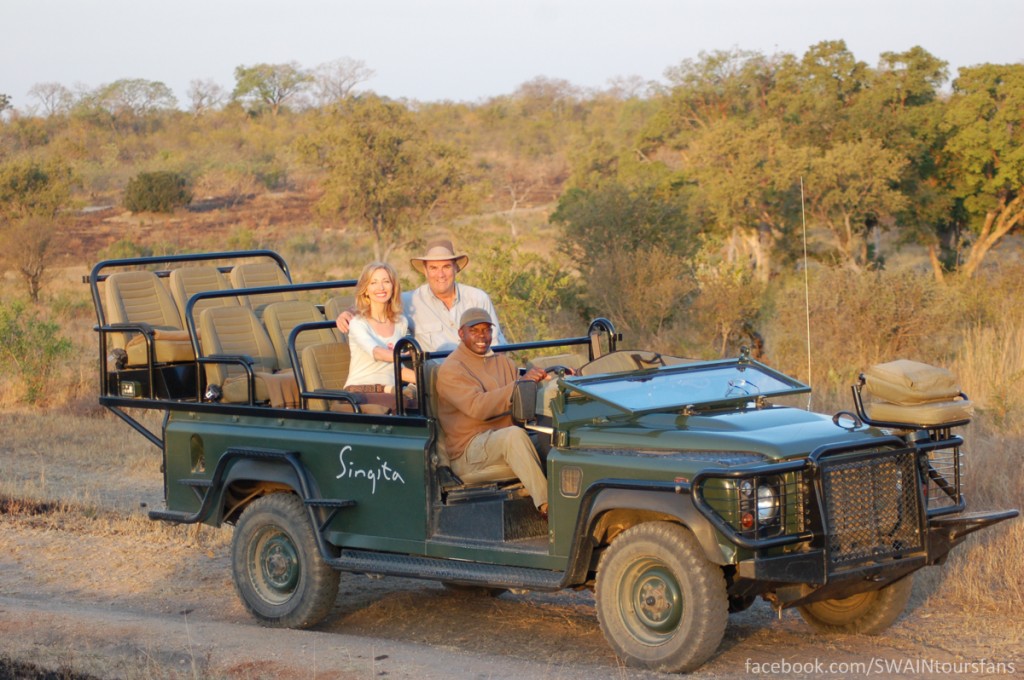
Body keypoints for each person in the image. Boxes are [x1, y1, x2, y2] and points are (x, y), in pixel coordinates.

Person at [436, 307, 549, 517]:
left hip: (504, 439)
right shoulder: (452, 368)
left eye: (486, 330)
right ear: (461, 334)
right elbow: (477, 407)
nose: (482, 336)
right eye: (475, 330)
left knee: (556, 439)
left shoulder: (504, 362)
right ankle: (548, 506)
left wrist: (544, 383)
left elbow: (521, 402)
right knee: (513, 436)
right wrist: (518, 386)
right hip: (469, 449)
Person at [338, 239, 506, 352]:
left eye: (446, 267)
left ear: (456, 268)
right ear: (425, 271)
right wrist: (350, 313)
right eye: (434, 268)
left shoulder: (478, 298)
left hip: (480, 373)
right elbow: (378, 301)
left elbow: (498, 346)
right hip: (439, 381)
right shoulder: (410, 301)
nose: (441, 274)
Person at [344, 262, 415, 411]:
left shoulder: (401, 322)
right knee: (401, 403)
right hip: (360, 392)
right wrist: (402, 355)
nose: (381, 288)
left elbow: (397, 368)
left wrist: (432, 378)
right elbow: (377, 352)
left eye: (386, 282)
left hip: (391, 391)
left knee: (431, 399)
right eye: (374, 283)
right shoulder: (358, 323)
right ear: (365, 290)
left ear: (393, 287)